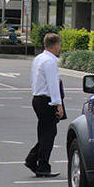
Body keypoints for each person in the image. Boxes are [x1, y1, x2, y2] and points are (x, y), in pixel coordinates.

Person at [24, 31, 64, 177]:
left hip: (37, 98)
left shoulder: (38, 58)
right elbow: (53, 84)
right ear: (55, 45)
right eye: (59, 45)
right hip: (46, 100)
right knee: (49, 133)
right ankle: (41, 164)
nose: (59, 48)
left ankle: (35, 160)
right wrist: (58, 104)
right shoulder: (50, 61)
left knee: (45, 132)